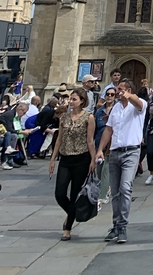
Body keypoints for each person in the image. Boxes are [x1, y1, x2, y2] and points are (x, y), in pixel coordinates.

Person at [96, 77, 147, 244]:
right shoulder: (116, 108)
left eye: (120, 89)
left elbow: (138, 103)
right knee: (116, 192)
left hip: (131, 152)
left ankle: (123, 226)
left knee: (125, 188)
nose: (117, 92)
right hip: (114, 152)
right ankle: (116, 225)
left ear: (128, 90)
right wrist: (100, 150)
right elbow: (108, 130)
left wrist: (129, 96)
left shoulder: (139, 106)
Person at [49, 87, 96, 240]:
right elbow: (59, 139)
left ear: (82, 101)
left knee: (75, 194)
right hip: (65, 158)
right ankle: (72, 213)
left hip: (81, 159)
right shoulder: (64, 117)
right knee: (60, 194)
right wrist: (52, 159)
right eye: (70, 99)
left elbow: (90, 141)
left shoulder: (88, 117)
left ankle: (67, 229)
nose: (71, 102)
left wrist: (93, 160)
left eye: (74, 99)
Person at [94, 87, 115, 204]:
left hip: (111, 145)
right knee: (99, 170)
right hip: (99, 144)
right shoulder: (99, 111)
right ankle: (107, 188)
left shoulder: (117, 110)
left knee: (106, 170)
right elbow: (95, 128)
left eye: (112, 94)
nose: (109, 96)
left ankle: (102, 197)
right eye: (108, 94)